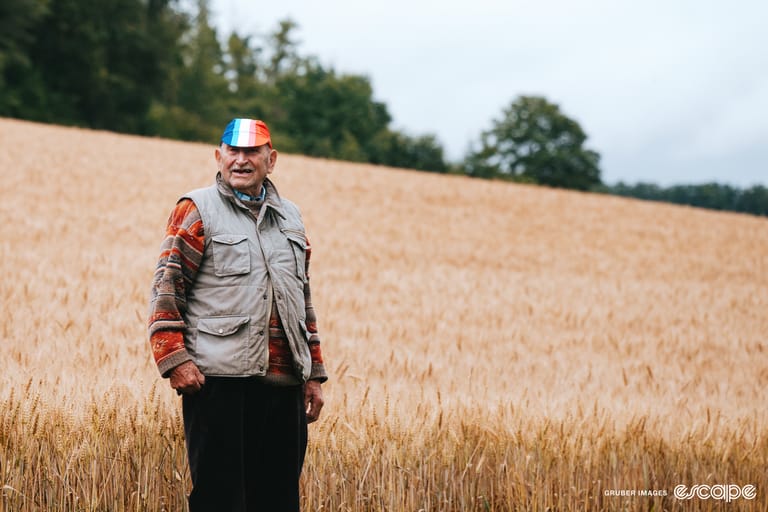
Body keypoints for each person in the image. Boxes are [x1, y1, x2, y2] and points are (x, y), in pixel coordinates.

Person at [147, 118, 328, 511]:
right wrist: (173, 359)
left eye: (252, 152)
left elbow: (302, 300)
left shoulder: (291, 218)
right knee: (221, 500)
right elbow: (167, 286)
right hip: (219, 383)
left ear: (271, 159)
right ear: (219, 156)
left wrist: (313, 373)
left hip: (284, 386)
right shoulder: (196, 209)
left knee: (278, 501)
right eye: (234, 151)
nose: (242, 160)